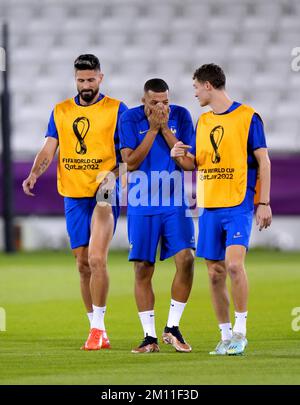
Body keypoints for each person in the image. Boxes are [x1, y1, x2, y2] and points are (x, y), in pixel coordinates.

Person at [22, 54, 127, 350]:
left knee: (97, 258)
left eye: (91, 80)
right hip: (72, 192)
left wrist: (115, 174)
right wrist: (33, 175)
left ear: (101, 78)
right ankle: (97, 328)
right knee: (82, 264)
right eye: (81, 80)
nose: (86, 85)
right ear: (75, 79)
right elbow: (48, 149)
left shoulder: (117, 110)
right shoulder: (61, 111)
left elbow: (129, 156)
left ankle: (97, 329)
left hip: (104, 191)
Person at [171, 64, 272, 355]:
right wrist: (180, 157)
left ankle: (241, 331)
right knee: (215, 273)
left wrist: (263, 203)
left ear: (208, 86)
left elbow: (263, 162)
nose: (194, 93)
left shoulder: (248, 117)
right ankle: (225, 336)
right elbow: (198, 164)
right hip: (210, 206)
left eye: (195, 88)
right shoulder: (202, 122)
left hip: (238, 202)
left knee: (234, 265)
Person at [119, 78, 195, 354]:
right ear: (144, 101)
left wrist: (165, 130)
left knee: (187, 259)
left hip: (174, 201)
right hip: (141, 202)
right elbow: (130, 162)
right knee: (142, 268)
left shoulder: (182, 116)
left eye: (165, 101)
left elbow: (188, 163)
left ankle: (172, 327)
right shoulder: (130, 119)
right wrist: (152, 130)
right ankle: (149, 337)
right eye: (154, 102)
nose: (161, 106)